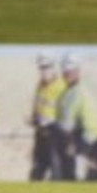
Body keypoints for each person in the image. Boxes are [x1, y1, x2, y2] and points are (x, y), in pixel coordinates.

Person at [54, 55, 97, 182]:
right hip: (88, 140)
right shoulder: (74, 91)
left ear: (77, 71)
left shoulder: (75, 93)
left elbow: (66, 125)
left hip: (84, 142)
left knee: (75, 178)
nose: (67, 74)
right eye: (66, 72)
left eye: (70, 71)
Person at [28, 52, 66, 181]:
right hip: (40, 136)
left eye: (47, 67)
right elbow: (36, 107)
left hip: (55, 138)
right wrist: (33, 118)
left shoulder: (62, 86)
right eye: (41, 68)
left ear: (53, 67)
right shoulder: (39, 86)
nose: (44, 71)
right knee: (36, 174)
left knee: (56, 174)